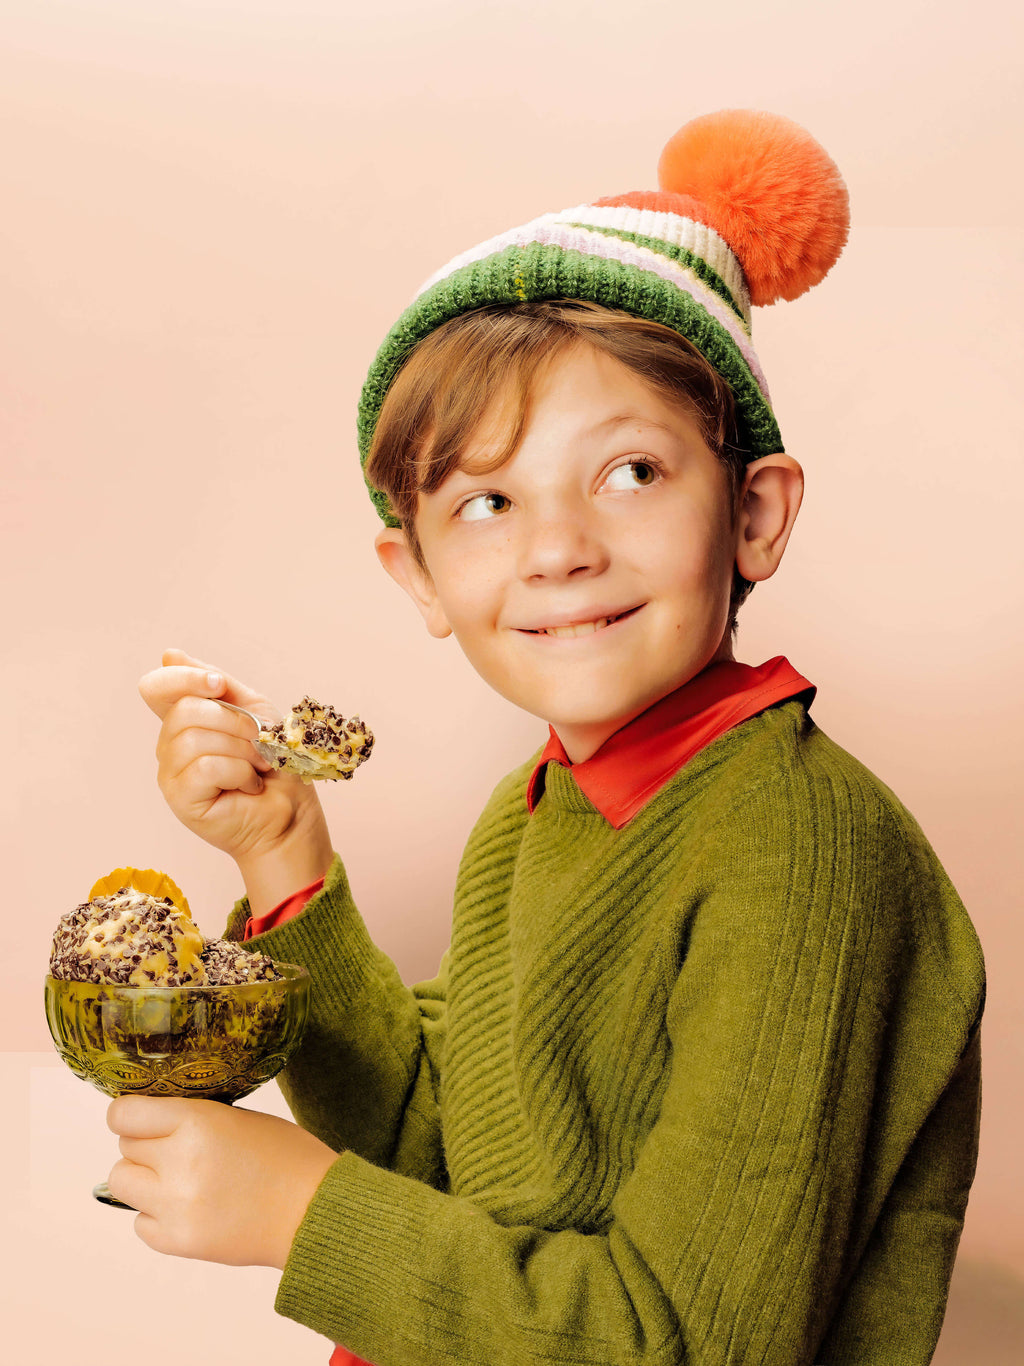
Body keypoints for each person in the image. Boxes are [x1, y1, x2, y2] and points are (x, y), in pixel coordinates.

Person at [109, 110, 985, 1365]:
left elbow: (690, 1342)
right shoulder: (538, 809)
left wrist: (301, 1213)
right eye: (485, 501)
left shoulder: (801, 847)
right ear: (415, 577)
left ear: (752, 513)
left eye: (628, 472)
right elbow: (442, 1151)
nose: (557, 546)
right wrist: (283, 857)